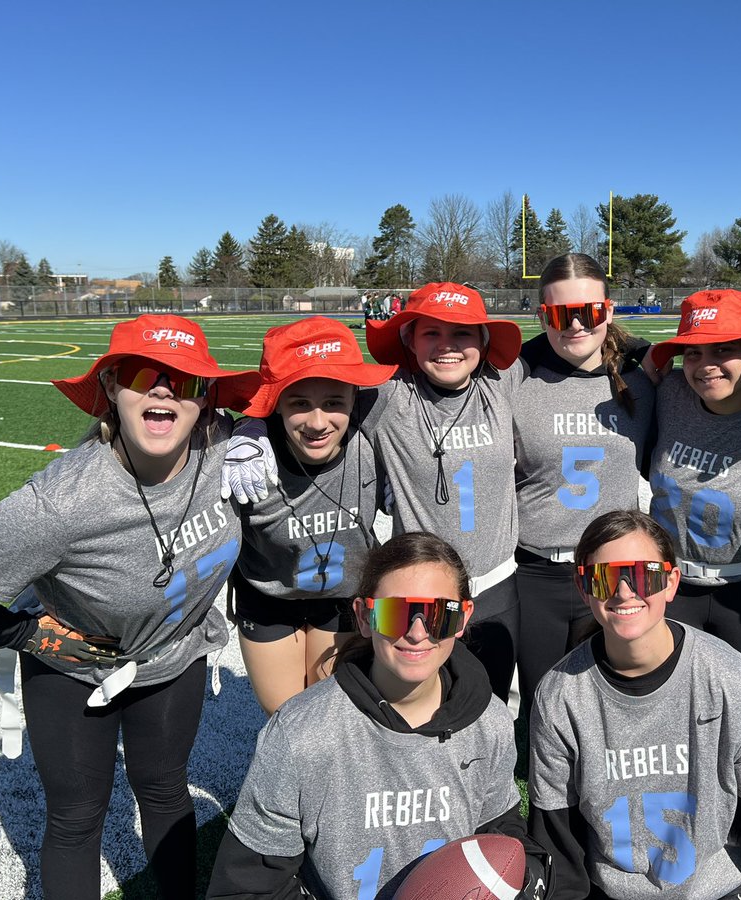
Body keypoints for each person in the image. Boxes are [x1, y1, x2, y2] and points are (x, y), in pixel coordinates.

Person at [0, 314, 258, 899]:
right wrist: (27, 636)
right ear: (110, 389)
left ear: (205, 399)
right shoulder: (63, 501)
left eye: (183, 380)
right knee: (77, 817)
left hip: (174, 653)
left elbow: (321, 401)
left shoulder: (226, 448)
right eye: (141, 372)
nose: (162, 389)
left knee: (163, 790)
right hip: (74, 668)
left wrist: (257, 433)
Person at [207, 532, 550, 899]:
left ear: (464, 618)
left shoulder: (490, 723)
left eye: (439, 615)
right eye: (395, 613)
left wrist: (525, 878)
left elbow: (501, 830)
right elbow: (247, 887)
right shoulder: (301, 735)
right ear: (364, 617)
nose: (417, 633)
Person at [528, 510, 741, 900]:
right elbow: (560, 842)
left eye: (643, 575)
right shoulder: (559, 696)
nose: (625, 592)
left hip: (717, 889)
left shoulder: (729, 676)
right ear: (583, 587)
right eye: (605, 577)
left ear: (671, 583)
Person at [360, 282, 525, 703]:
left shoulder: (500, 383)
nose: (447, 346)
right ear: (408, 340)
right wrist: (252, 430)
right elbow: (312, 400)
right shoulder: (389, 396)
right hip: (420, 586)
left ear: (483, 342)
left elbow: (564, 354)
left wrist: (632, 351)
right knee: (416, 702)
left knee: (490, 703)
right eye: (431, 333)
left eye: (462, 333)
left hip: (495, 582)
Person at [227, 317, 396, 715]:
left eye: (334, 402)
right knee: (285, 716)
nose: (318, 423)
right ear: (276, 404)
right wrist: (242, 428)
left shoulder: (372, 443)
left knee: (330, 709)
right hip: (267, 594)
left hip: (341, 595)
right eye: (299, 403)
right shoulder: (247, 460)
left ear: (356, 398)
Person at [513, 253, 656, 715]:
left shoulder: (641, 378)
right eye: (560, 314)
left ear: (608, 311)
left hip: (618, 570)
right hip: (537, 571)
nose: (576, 324)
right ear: (542, 317)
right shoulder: (515, 376)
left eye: (590, 312)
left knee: (617, 703)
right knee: (544, 705)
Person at [647, 290, 741, 700]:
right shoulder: (670, 393)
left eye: (723, 349)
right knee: (665, 706)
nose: (705, 365)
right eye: (692, 353)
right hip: (667, 586)